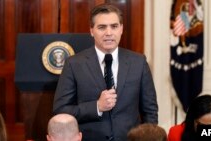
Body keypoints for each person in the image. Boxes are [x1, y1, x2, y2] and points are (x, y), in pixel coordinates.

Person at [53, 3, 158, 141]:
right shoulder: (74, 64)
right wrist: (97, 106)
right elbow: (61, 110)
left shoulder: (139, 62)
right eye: (102, 27)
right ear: (91, 30)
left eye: (114, 26)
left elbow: (150, 110)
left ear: (121, 29)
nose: (109, 33)